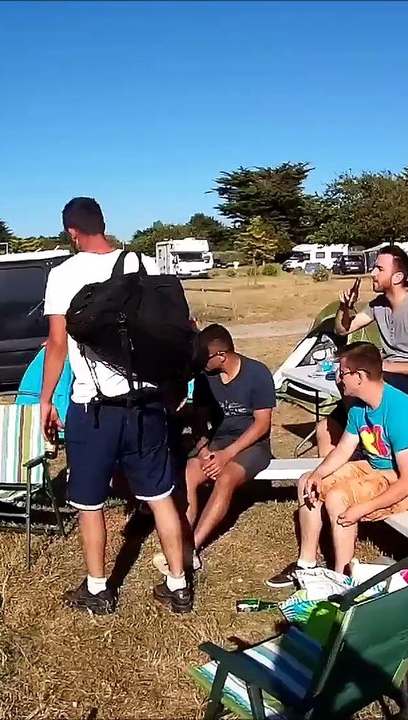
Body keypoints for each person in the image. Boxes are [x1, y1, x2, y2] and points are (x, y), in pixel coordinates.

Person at [40, 197, 194, 615]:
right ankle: (178, 585)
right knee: (161, 495)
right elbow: (179, 329)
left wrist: (45, 399)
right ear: (103, 224)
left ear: (72, 232)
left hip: (94, 408)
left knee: (90, 503)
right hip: (147, 403)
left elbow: (57, 344)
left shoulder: (64, 275)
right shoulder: (144, 265)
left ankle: (97, 588)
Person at [267, 342, 408, 586]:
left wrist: (362, 508)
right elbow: (342, 450)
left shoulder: (402, 412)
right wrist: (318, 474)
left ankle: (342, 579)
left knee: (339, 497)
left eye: (342, 372)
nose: (337, 378)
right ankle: (305, 565)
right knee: (308, 481)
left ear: (360, 376)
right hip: (378, 468)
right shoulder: (359, 408)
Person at [154, 324, 274, 574]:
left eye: (204, 357)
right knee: (189, 472)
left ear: (222, 356)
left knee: (226, 477)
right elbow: (199, 420)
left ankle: (192, 548)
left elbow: (262, 425)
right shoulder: (204, 379)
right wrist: (202, 448)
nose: (201, 363)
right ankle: (181, 541)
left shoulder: (258, 373)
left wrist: (227, 455)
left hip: (253, 445)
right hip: (218, 442)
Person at [316, 245, 408, 456]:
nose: (373, 273)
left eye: (379, 269)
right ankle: (339, 470)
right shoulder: (377, 305)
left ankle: (364, 442)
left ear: (398, 276)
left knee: (357, 385)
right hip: (383, 375)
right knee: (324, 430)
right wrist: (344, 308)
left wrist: (381, 366)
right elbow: (343, 329)